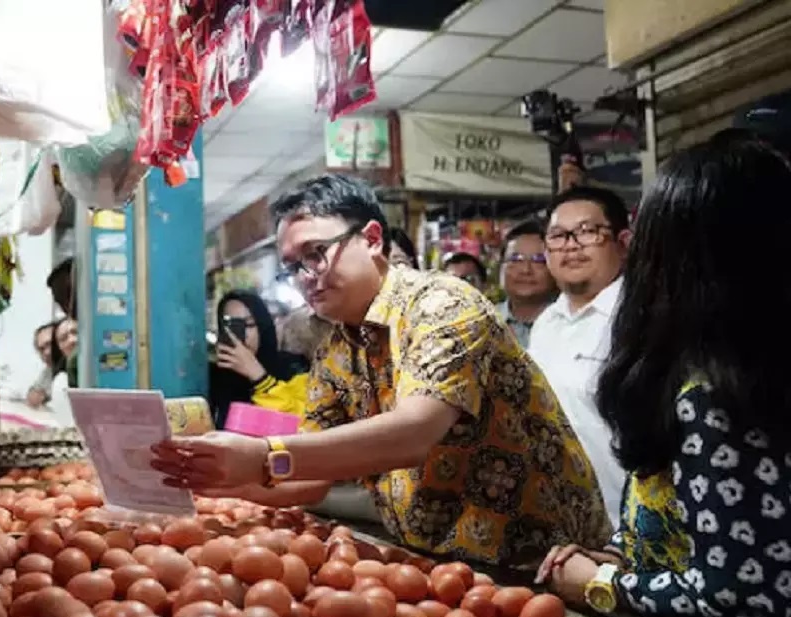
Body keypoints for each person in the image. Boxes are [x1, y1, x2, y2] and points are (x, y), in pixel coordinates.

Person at [152, 173, 610, 568]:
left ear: (372, 239)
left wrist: (260, 456)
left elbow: (413, 433)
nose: (306, 275)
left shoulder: (442, 304)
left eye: (316, 253)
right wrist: (220, 481)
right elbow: (310, 475)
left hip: (548, 561)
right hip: (445, 560)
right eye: (293, 266)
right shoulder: (336, 347)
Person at [536, 134, 791, 617]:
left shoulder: (717, 394)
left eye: (587, 232)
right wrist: (626, 555)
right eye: (558, 237)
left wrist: (604, 584)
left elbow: (737, 602)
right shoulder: (719, 366)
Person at [528, 186, 632, 527]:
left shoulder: (640, 319)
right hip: (557, 528)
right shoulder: (545, 323)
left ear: (624, 242)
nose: (571, 245)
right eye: (558, 236)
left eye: (587, 231)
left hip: (625, 527)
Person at [209, 290, 310, 428]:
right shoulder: (212, 376)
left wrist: (260, 378)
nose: (242, 335)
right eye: (231, 325)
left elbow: (304, 423)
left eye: (249, 325)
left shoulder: (294, 367)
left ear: (263, 327)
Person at [496, 221, 556, 347]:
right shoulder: (484, 322)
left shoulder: (572, 322)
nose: (526, 270)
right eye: (516, 259)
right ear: (501, 267)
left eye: (538, 260)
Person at [26, 321, 59, 409]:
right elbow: (33, 397)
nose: (47, 352)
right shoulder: (49, 370)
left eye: (50, 344)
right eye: (42, 349)